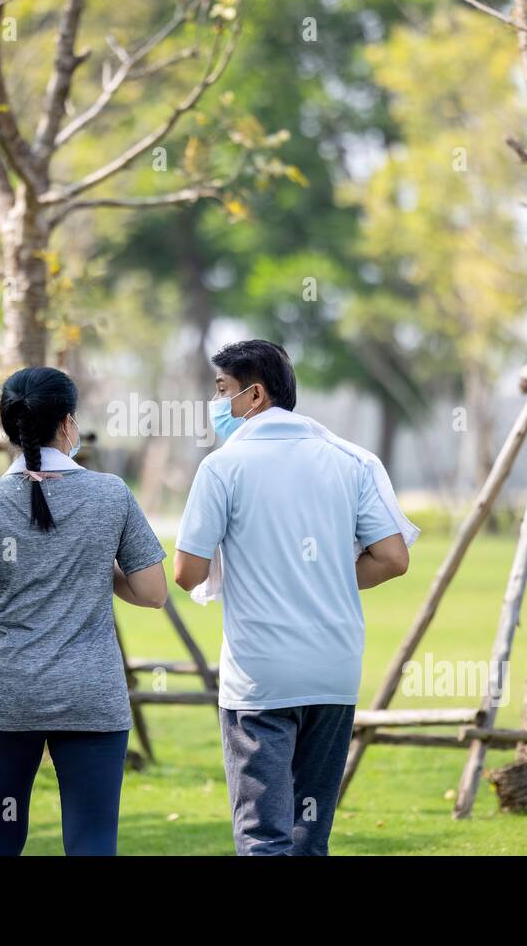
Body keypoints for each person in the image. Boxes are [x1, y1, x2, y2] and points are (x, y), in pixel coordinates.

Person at [173, 339, 417, 855]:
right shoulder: (350, 460)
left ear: (254, 395)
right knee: (310, 836)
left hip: (260, 679)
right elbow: (393, 558)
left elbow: (187, 572)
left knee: (264, 836)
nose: (217, 404)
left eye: (222, 391)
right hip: (333, 672)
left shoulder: (223, 466)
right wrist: (323, 576)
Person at [0, 366, 168, 856]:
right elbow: (152, 591)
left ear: (9, 428)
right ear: (67, 423)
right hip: (91, 697)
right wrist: (89, 562)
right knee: (91, 843)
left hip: (6, 696)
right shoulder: (111, 494)